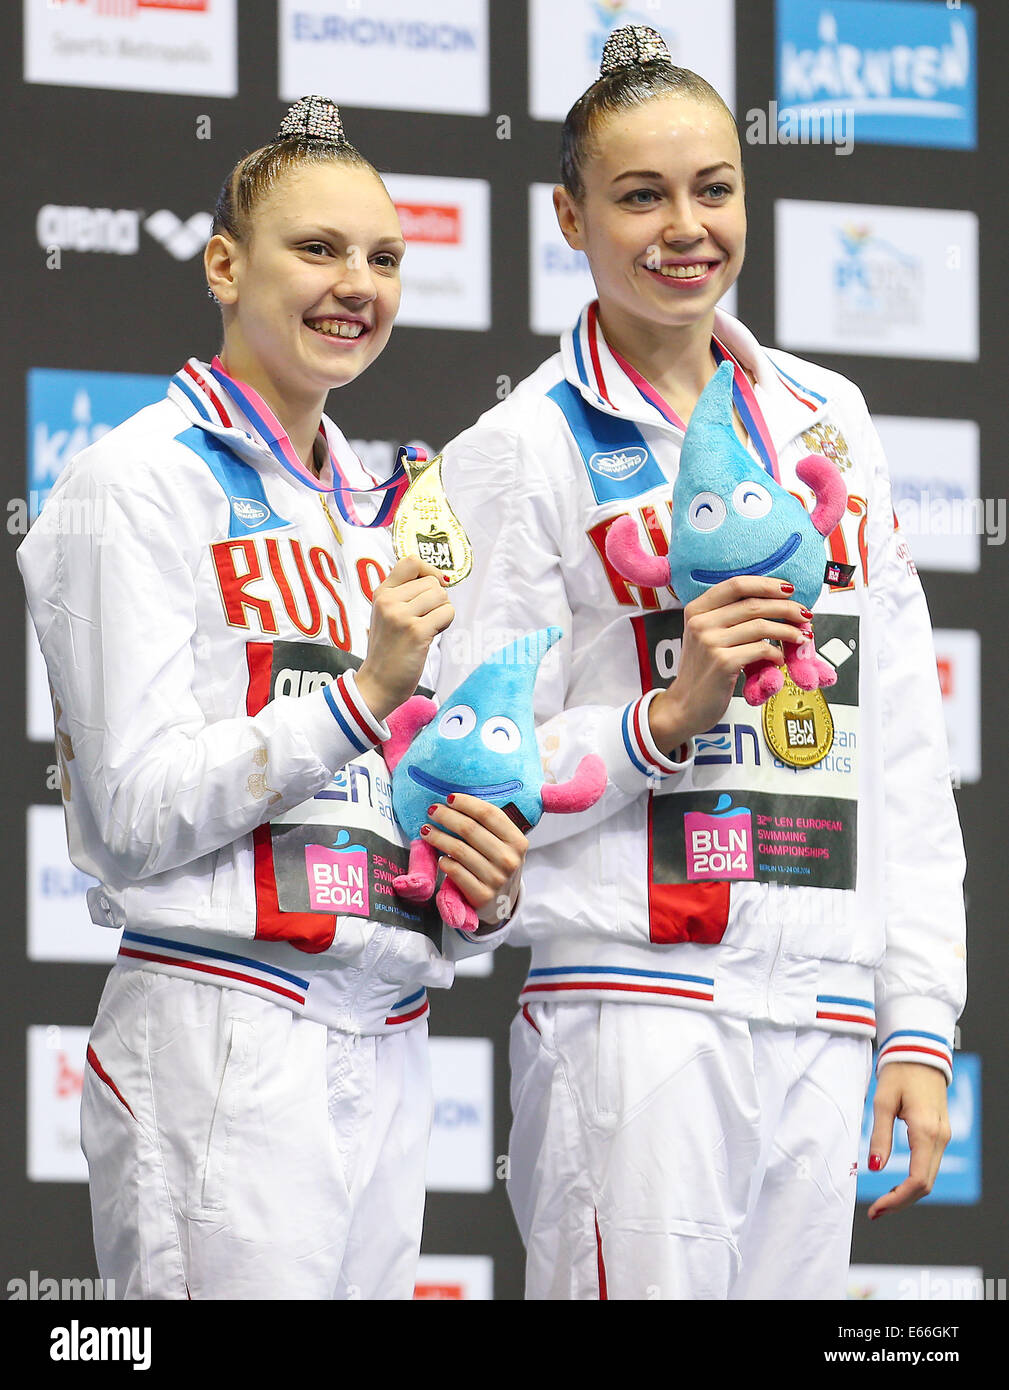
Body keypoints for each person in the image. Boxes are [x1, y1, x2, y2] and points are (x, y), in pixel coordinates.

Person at [436, 27, 966, 1300]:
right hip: (635, 1010)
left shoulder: (827, 419)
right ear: (569, 215)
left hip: (824, 1017)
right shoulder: (519, 451)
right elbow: (468, 768)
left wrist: (919, 1021)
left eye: (713, 188)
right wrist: (659, 719)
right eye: (640, 195)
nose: (686, 228)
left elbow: (897, 738)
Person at [18, 96, 527, 1301]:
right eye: (318, 248)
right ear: (224, 263)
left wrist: (480, 884)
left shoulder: (385, 514)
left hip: (388, 1035)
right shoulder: (133, 479)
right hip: (221, 1032)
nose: (356, 284)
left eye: (383, 257)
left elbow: (400, 790)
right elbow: (133, 810)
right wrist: (359, 700)